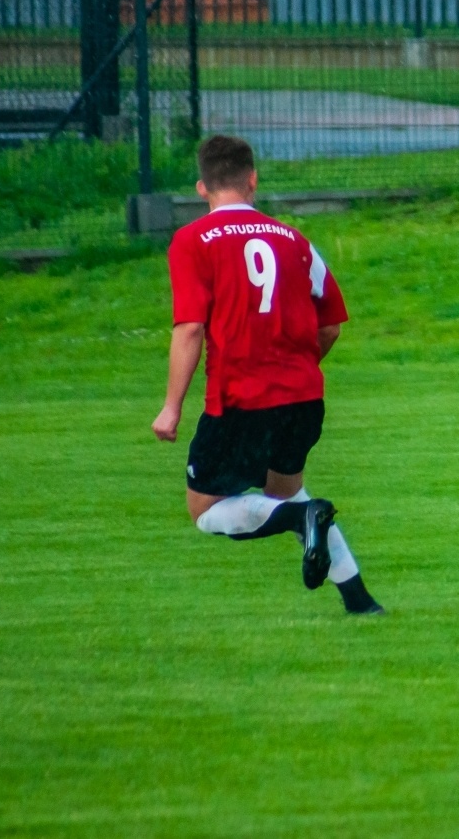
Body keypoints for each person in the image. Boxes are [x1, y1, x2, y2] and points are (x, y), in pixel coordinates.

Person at [151, 134, 383, 615]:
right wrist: (297, 368)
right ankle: (360, 602)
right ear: (253, 180)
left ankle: (302, 519)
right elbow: (331, 325)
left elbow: (190, 328)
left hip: (240, 399)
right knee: (285, 490)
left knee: (206, 509)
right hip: (302, 399)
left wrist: (171, 407)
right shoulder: (294, 240)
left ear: (202, 187)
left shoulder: (192, 241)